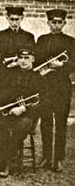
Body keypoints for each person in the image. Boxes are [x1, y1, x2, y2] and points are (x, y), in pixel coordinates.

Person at [0, 46, 43, 177]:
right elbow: (3, 95)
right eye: (20, 58)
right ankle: (0, 162)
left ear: (33, 59)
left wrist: (24, 108)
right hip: (11, 113)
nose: (23, 61)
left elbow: (44, 102)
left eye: (26, 58)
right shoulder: (11, 75)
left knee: (19, 128)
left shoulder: (39, 78)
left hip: (28, 116)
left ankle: (7, 164)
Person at [35, 9, 75, 172]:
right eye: (53, 22)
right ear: (48, 23)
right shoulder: (42, 40)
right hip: (45, 86)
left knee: (60, 123)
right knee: (45, 122)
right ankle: (46, 156)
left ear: (64, 23)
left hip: (62, 87)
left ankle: (58, 158)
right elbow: (36, 59)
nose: (56, 25)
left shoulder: (71, 41)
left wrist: (62, 65)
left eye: (59, 22)